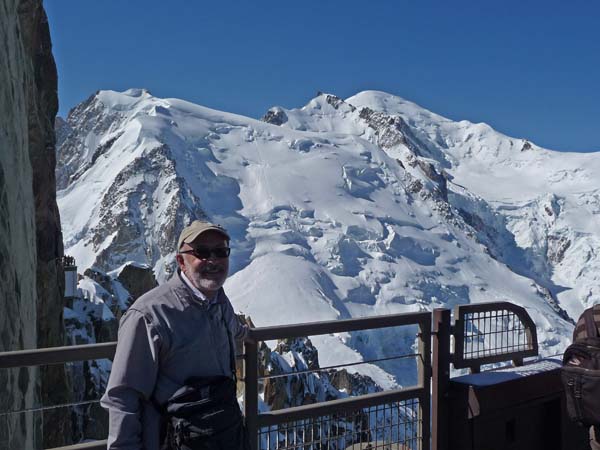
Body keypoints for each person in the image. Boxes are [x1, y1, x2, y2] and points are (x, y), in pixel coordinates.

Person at [101, 220, 247, 449]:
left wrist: (250, 333)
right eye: (202, 252)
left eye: (220, 252)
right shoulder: (149, 315)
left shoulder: (218, 300)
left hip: (223, 435)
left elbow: (236, 329)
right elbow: (124, 397)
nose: (213, 260)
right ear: (181, 261)